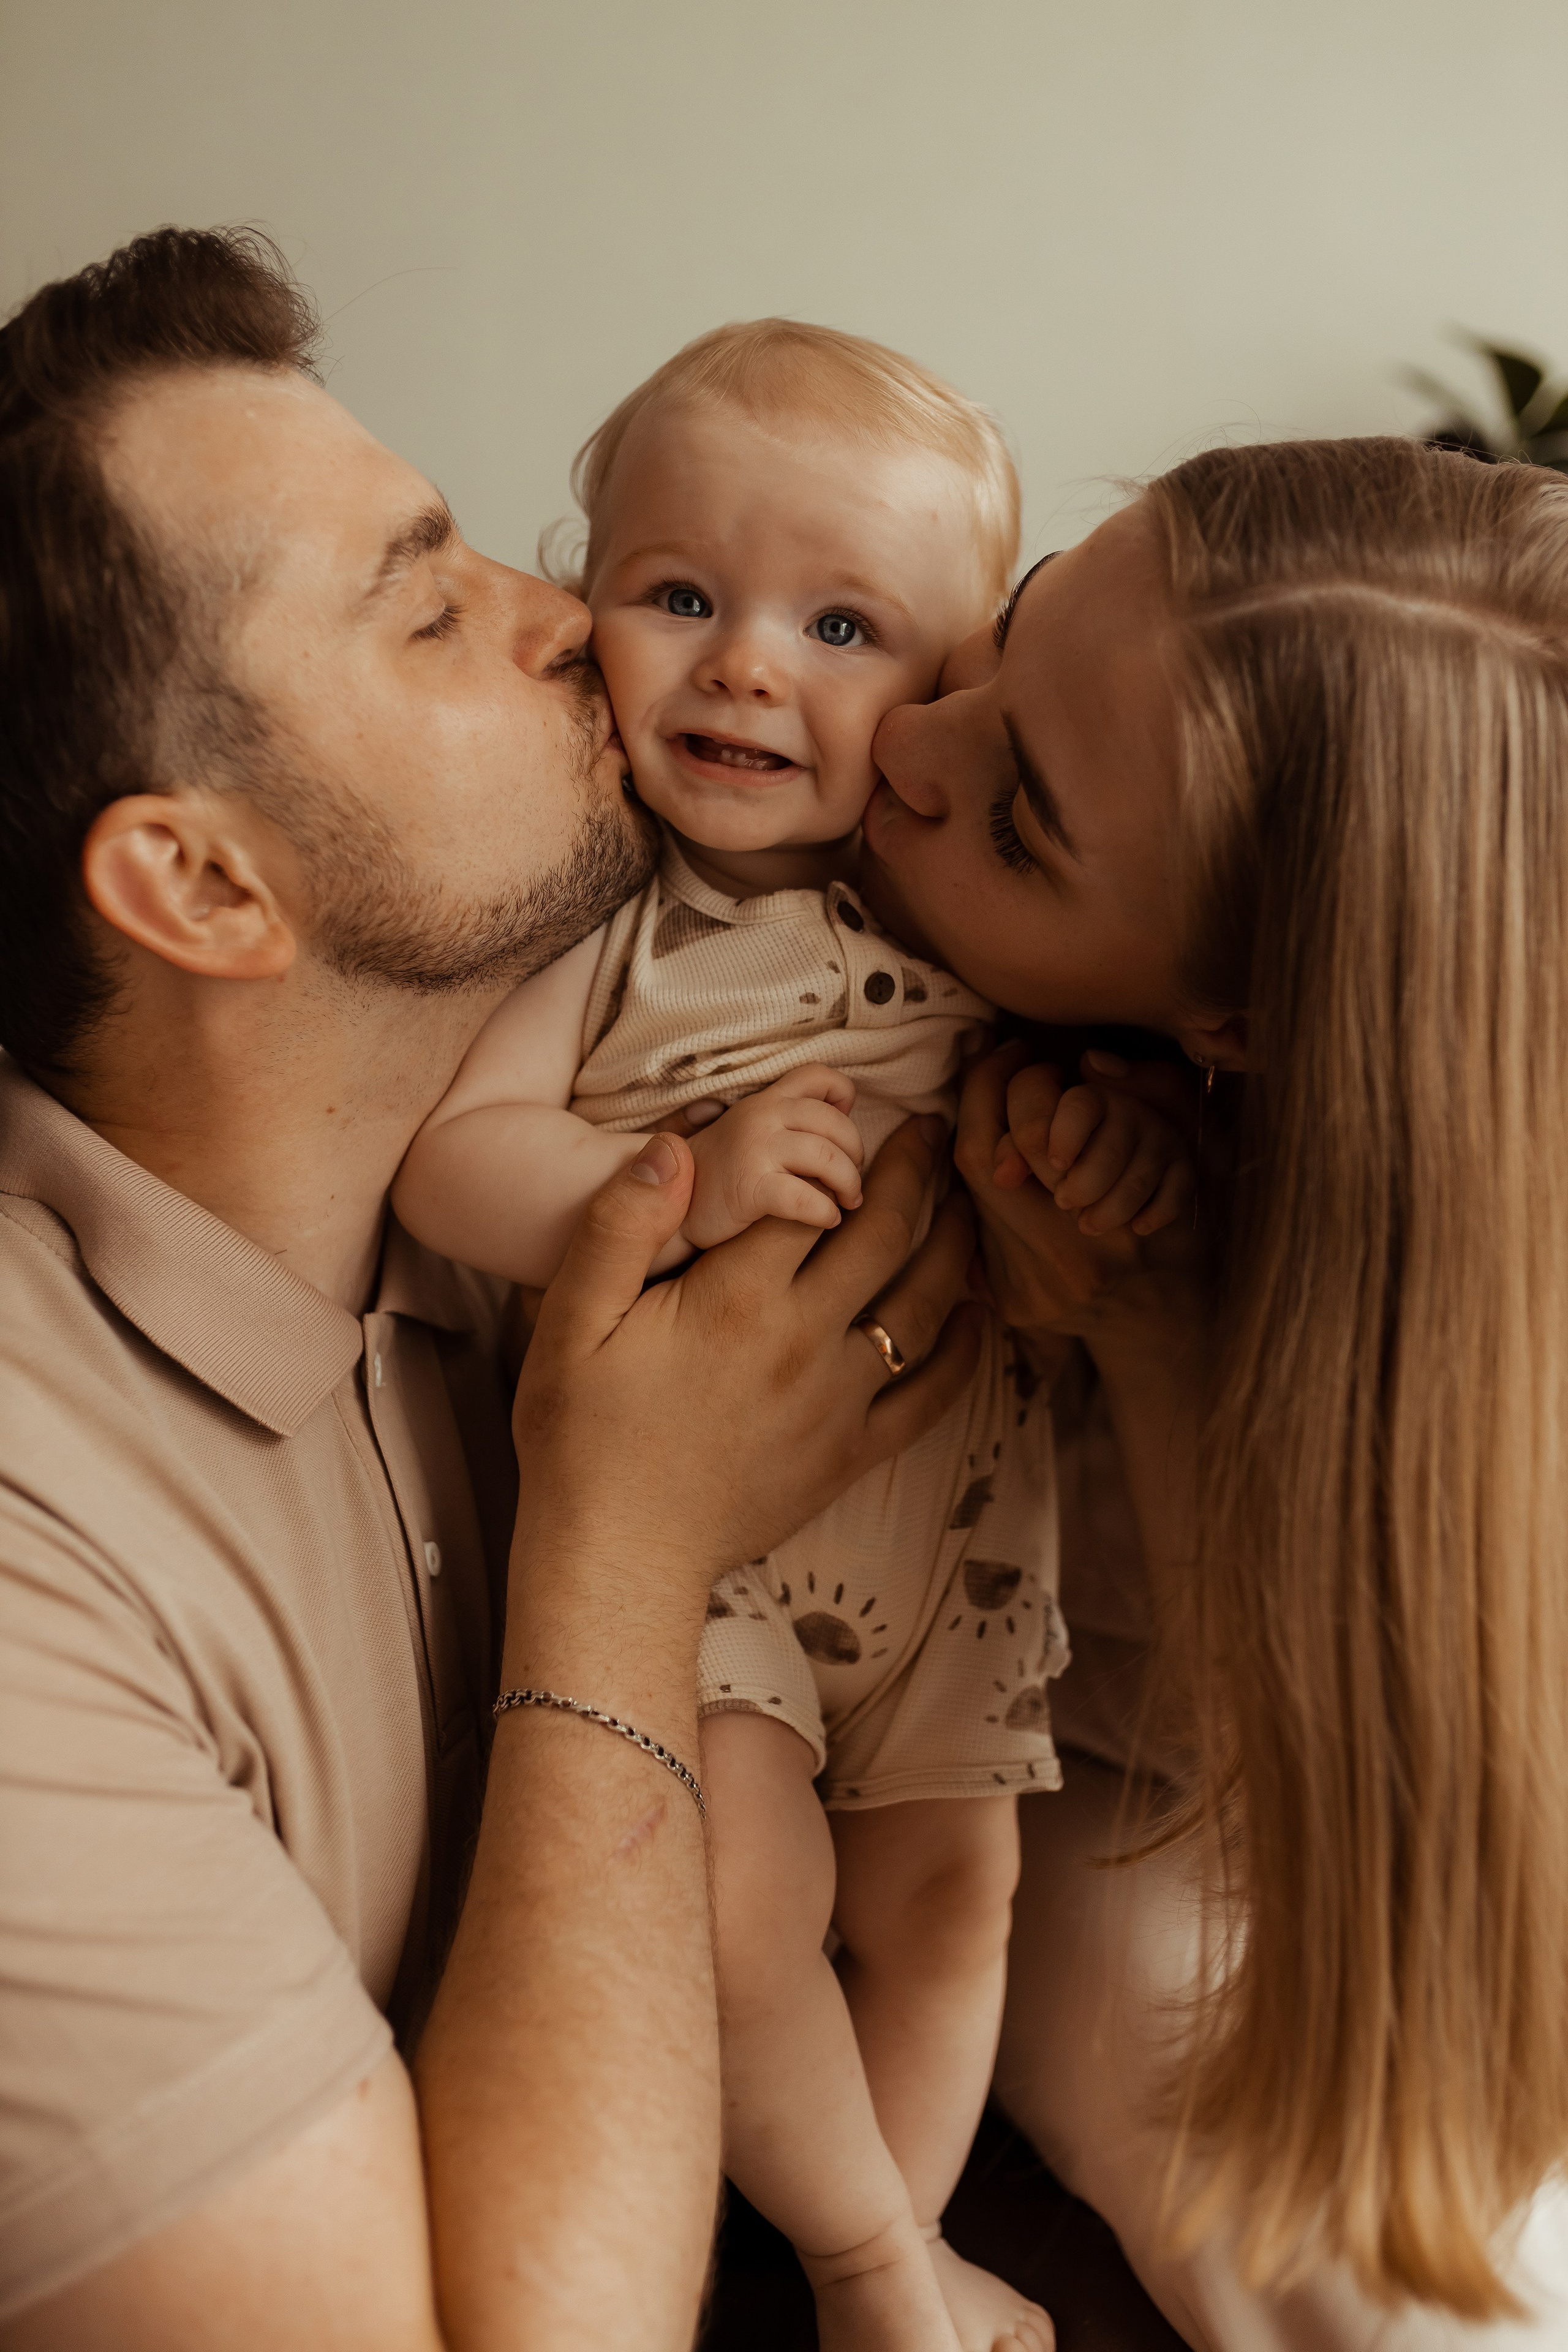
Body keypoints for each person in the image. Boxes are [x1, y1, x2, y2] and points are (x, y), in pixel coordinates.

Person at [0, 228, 986, 2350]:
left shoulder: (508, 1190)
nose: (584, 627)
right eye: (437, 603)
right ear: (203, 881)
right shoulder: (29, 1554)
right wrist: (628, 1541)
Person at [393, 320, 1191, 2352]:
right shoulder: (600, 906)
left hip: (965, 1548)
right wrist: (655, 1189)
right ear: (588, 604)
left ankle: (903, 2235)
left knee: (951, 1907)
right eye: (678, 596)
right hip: (699, 1555)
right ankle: (856, 2258)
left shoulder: (973, 928)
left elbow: (1068, 1223)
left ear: (944, 703)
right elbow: (451, 1160)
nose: (747, 664)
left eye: (841, 626)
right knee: (738, 1898)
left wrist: (1087, 1154)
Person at [862, 439, 1568, 2346]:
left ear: (1244, 1026)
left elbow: (1383, 1833)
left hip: (1287, 1799)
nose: (910, 741)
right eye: (1014, 631)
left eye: (1020, 827)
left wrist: (1155, 1327)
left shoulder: (1447, 1263)